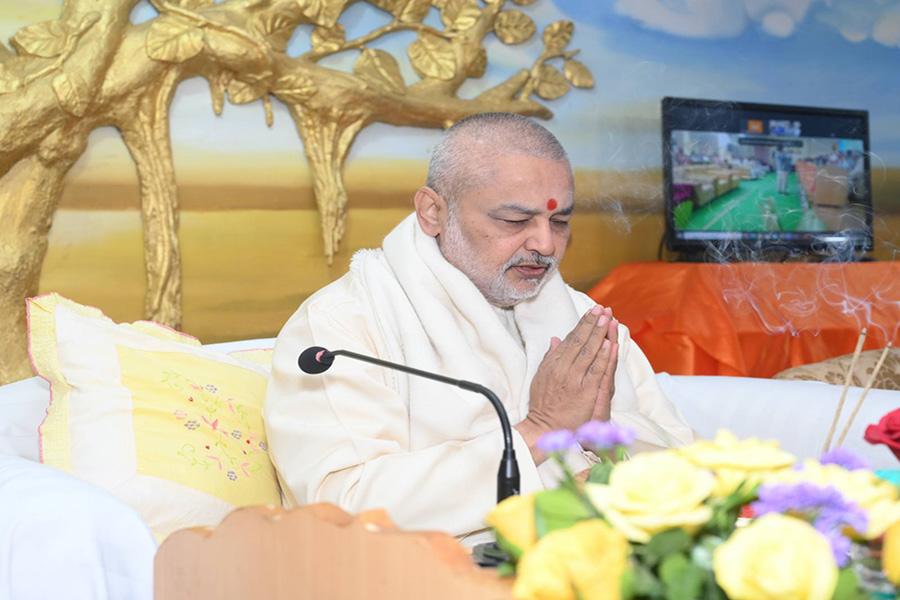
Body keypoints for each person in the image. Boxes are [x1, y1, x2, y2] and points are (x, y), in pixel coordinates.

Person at [264, 113, 694, 543]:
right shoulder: (344, 322)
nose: (545, 245)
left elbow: (691, 466)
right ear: (433, 211)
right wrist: (541, 430)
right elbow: (338, 504)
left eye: (560, 221)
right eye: (513, 220)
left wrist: (605, 440)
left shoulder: (584, 322)